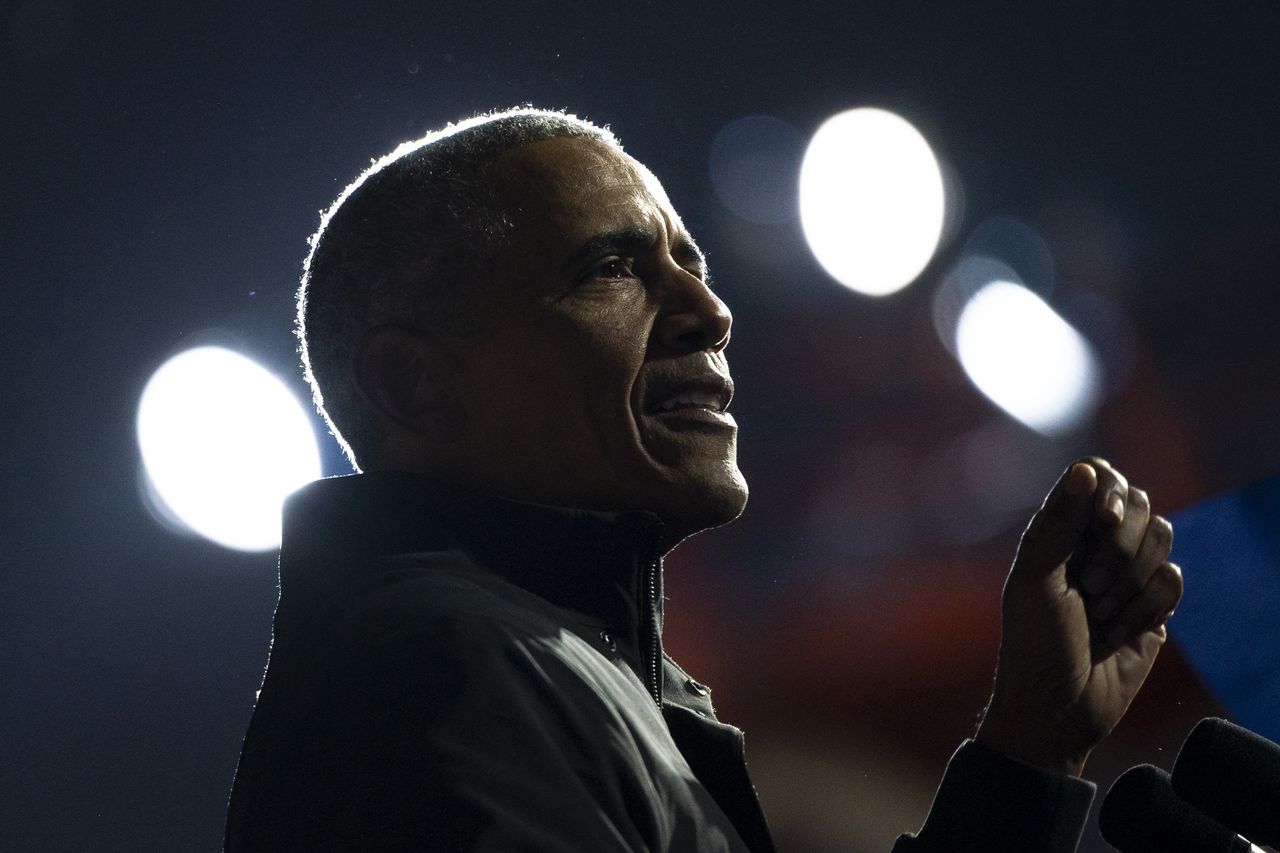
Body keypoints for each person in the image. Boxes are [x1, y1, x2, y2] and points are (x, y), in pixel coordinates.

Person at [224, 108, 1184, 851]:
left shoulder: (552, 667)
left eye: (691, 263)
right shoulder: (439, 670)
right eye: (610, 268)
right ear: (415, 384)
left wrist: (1029, 745)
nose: (710, 312)